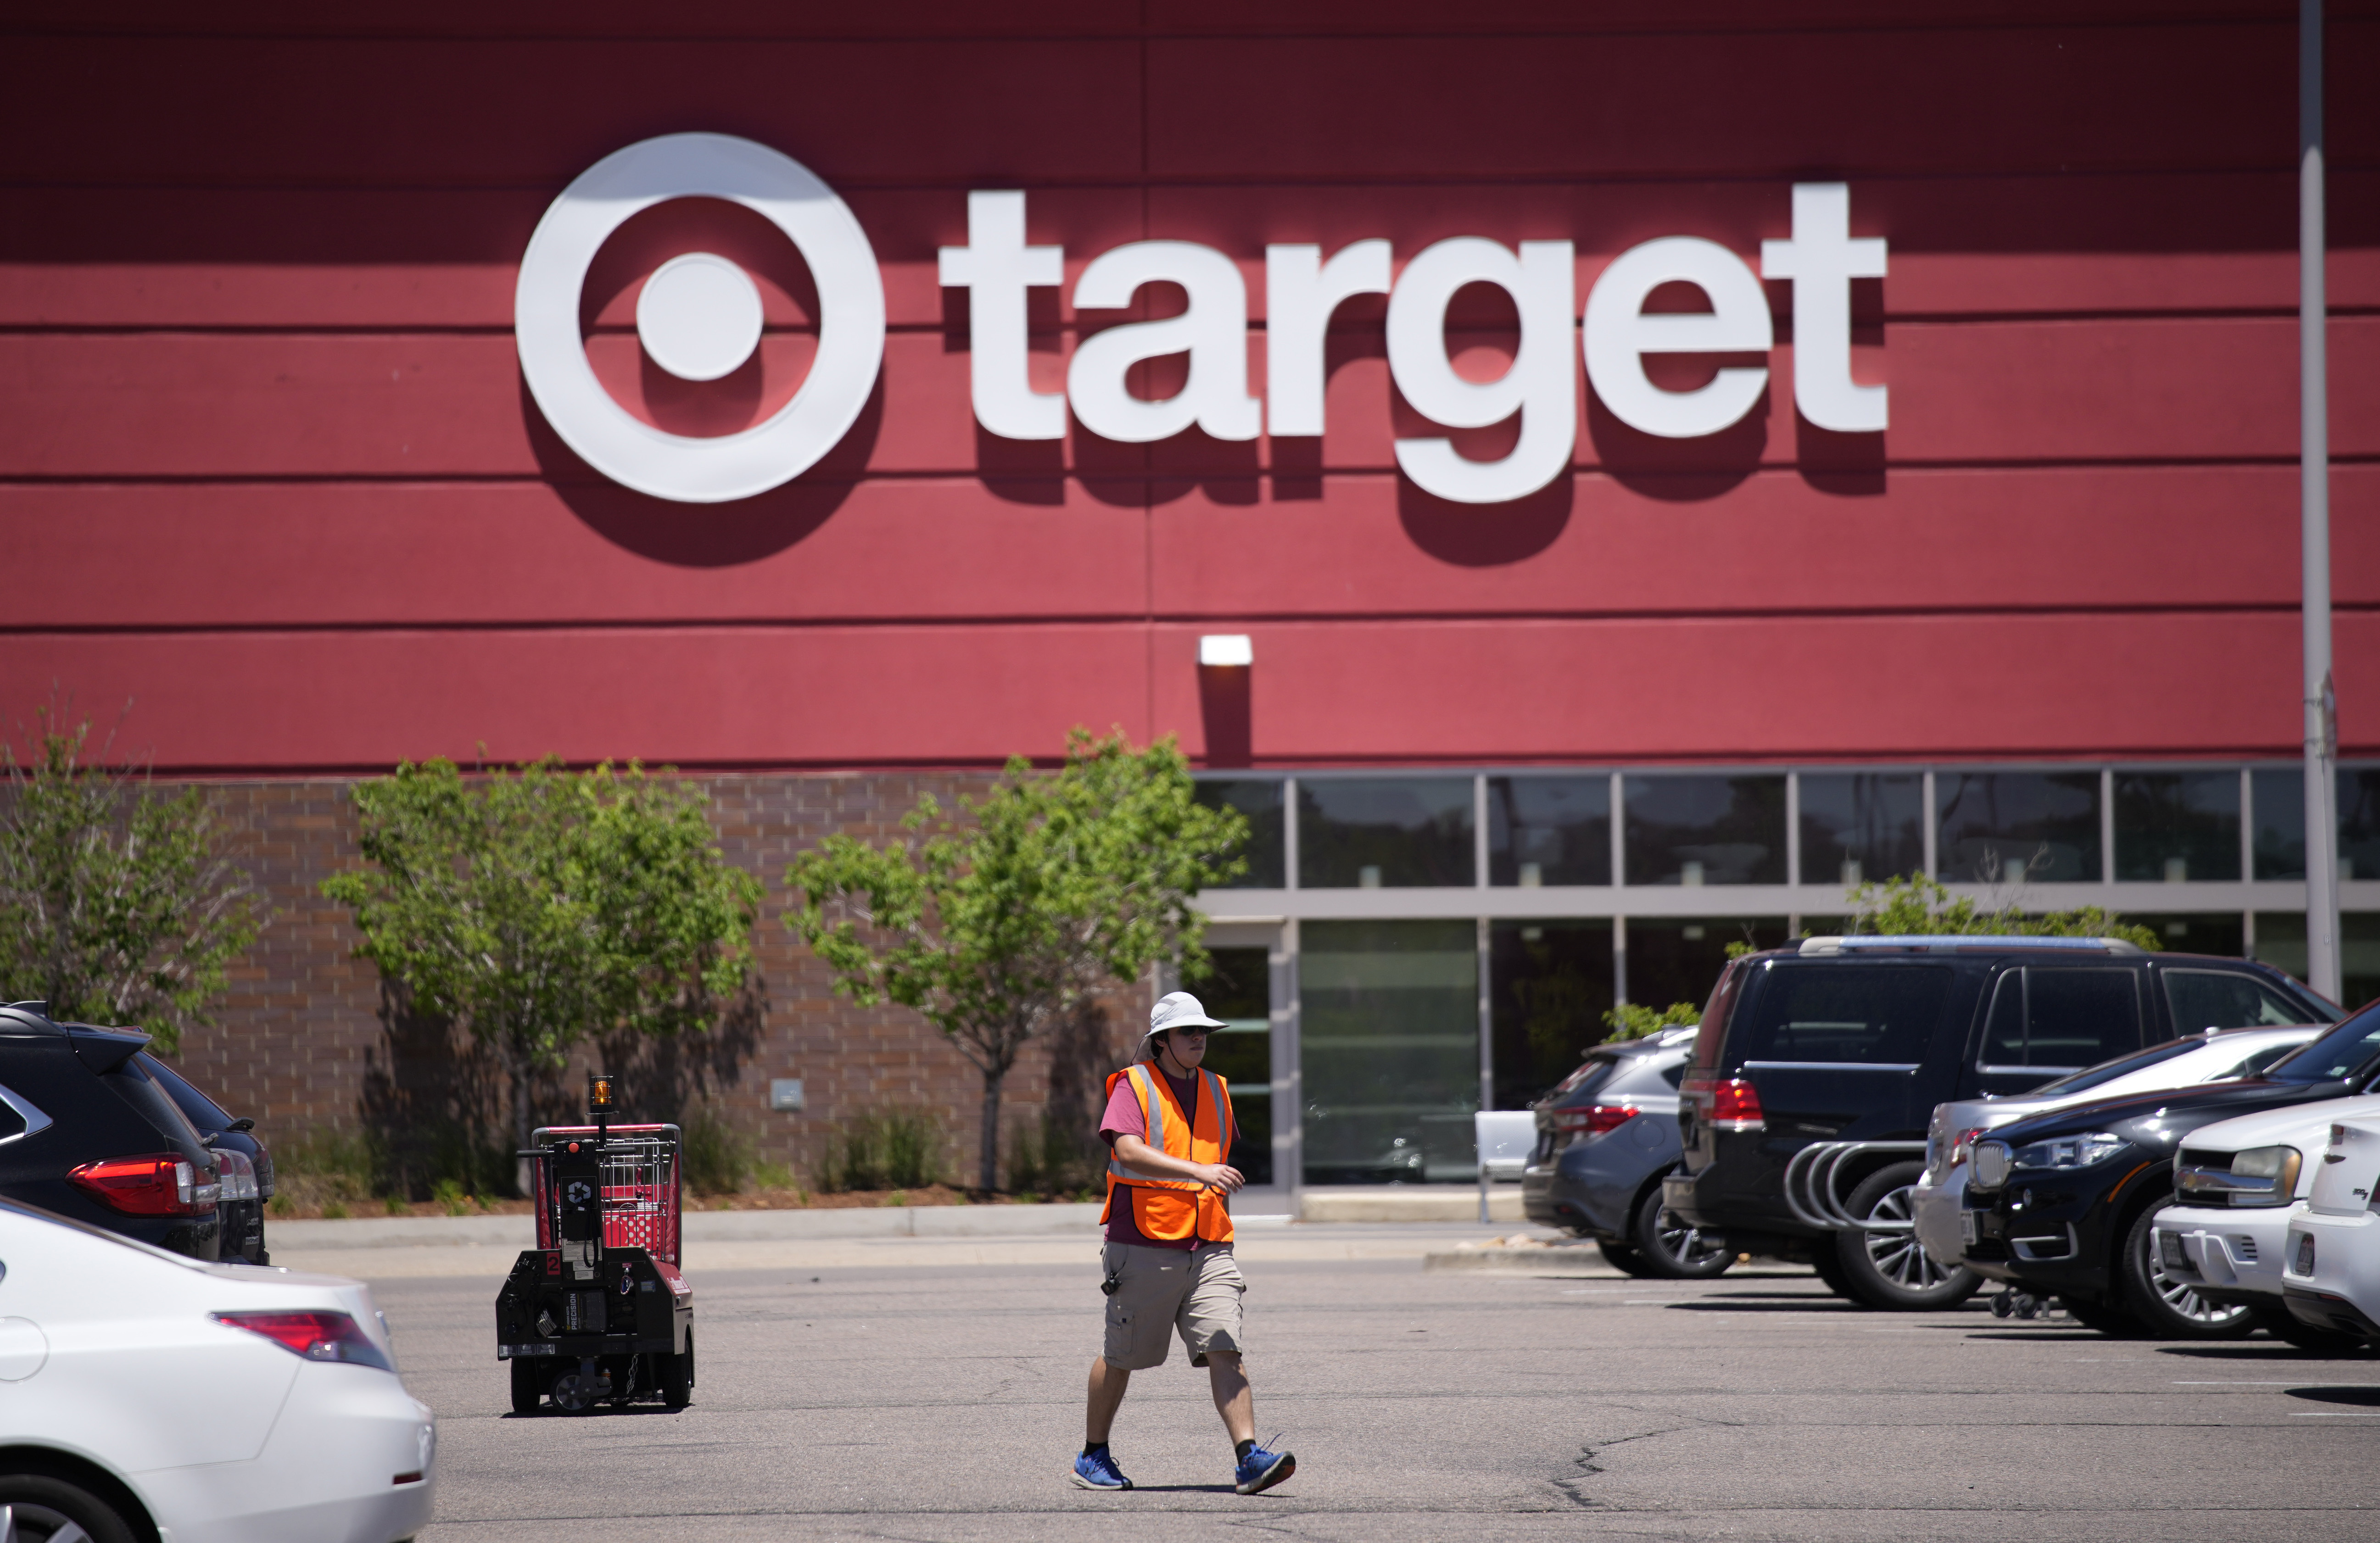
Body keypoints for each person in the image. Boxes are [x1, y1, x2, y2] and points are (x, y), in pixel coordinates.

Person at [1070, 991, 1296, 1496]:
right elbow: (1128, 1149)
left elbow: (1216, 1150)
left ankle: (1247, 1458)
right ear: (1161, 1041)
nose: (1198, 1039)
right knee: (1122, 1356)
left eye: (1203, 1032)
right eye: (1187, 1032)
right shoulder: (1133, 1086)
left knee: (1225, 1345)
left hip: (1209, 1241)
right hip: (1144, 1242)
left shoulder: (1217, 1087)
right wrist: (1197, 1172)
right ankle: (1092, 1455)